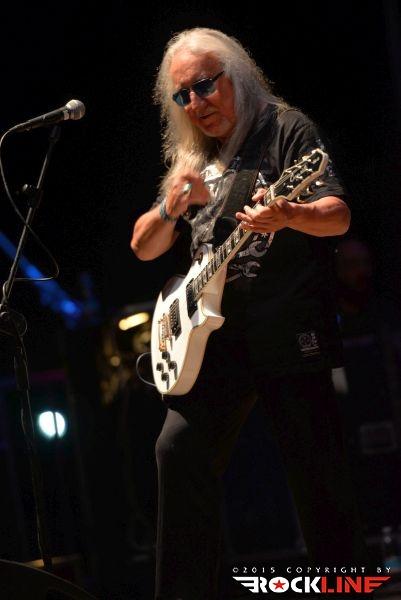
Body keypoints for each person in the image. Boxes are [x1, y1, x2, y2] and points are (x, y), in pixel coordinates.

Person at [131, 27, 370, 600]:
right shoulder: (193, 154)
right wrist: (170, 205)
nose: (195, 103)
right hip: (214, 342)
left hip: (286, 327)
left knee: (320, 484)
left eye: (204, 86)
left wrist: (289, 214)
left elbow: (337, 215)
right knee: (176, 451)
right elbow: (143, 246)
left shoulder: (286, 129)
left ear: (235, 75)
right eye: (182, 95)